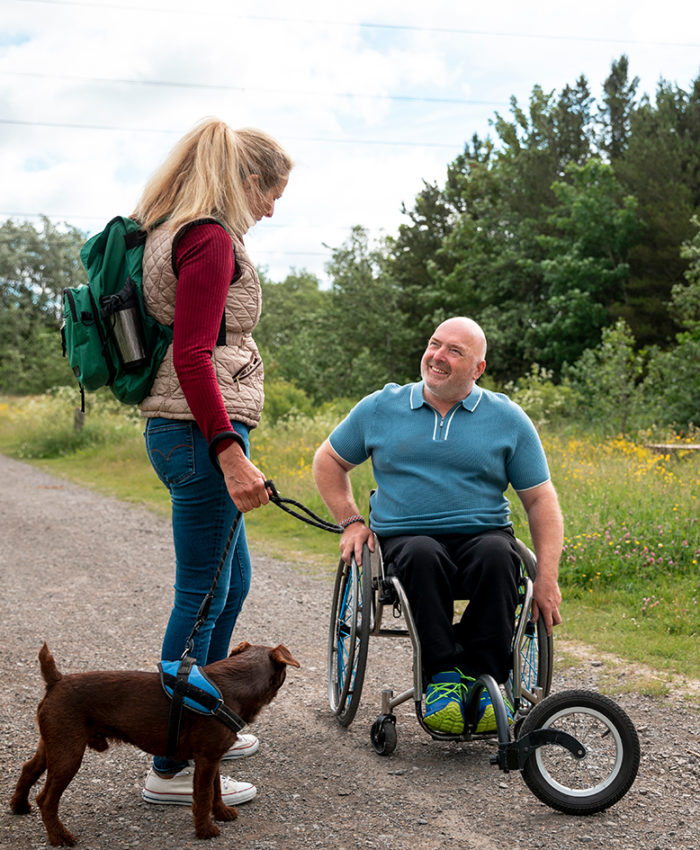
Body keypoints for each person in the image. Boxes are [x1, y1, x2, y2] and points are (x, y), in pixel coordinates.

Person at [132, 118, 292, 805]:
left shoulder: (178, 227)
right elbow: (194, 353)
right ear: (246, 179)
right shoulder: (209, 237)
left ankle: (211, 716)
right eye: (272, 191)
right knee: (200, 597)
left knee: (229, 584)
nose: (273, 207)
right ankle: (171, 760)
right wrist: (228, 452)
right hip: (198, 436)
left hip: (191, 431)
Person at [313, 316, 563, 735]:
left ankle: (486, 681)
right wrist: (352, 522)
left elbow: (540, 499)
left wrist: (549, 577)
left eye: (454, 351)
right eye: (434, 344)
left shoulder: (507, 418)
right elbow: (329, 461)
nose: (438, 357)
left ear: (478, 368)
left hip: (483, 535)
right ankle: (444, 677)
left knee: (498, 555)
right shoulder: (381, 406)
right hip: (406, 539)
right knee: (422, 553)